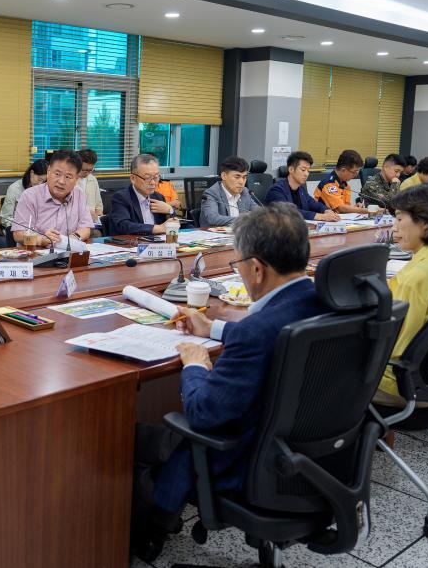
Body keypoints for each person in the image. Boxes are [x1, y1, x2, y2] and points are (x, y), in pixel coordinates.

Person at [130, 204, 329, 563]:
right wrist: (214, 329)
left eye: (237, 265)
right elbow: (276, 336)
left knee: (139, 439)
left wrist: (194, 366)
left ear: (256, 268)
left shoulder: (258, 330)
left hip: (247, 462)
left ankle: (149, 527)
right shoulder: (320, 302)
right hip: (310, 458)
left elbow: (204, 414)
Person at [373, 183, 428, 407]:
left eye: (400, 218)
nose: (394, 226)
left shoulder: (415, 278)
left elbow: (392, 350)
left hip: (400, 384)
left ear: (427, 224)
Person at [12, 150, 94, 248]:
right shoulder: (30, 196)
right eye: (57, 174)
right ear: (48, 171)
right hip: (34, 255)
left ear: (76, 179)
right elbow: (18, 235)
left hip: (67, 254)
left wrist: (71, 240)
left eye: (68, 177)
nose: (61, 181)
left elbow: (85, 227)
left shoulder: (79, 194)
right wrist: (41, 240)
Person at [109, 154, 175, 236]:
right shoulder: (121, 198)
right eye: (147, 178)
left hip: (156, 245)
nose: (153, 183)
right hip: (130, 245)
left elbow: (171, 225)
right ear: (133, 178)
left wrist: (170, 210)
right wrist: (158, 228)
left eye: (156, 177)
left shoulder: (158, 197)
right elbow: (124, 226)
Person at [266, 151, 340, 221]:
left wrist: (327, 210)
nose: (306, 174)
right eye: (303, 170)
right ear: (291, 169)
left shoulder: (301, 189)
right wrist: (321, 216)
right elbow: (288, 212)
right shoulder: (277, 190)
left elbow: (313, 203)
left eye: (308, 171)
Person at [199, 156, 257, 227]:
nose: (241, 182)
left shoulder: (245, 192)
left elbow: (259, 213)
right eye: (237, 177)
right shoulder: (211, 193)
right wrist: (245, 220)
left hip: (240, 234)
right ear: (224, 176)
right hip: (215, 235)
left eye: (244, 177)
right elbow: (213, 218)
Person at [314, 149, 369, 215]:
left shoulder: (344, 184)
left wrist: (355, 207)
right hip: (324, 220)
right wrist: (364, 210)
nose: (355, 175)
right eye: (354, 172)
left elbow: (344, 207)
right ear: (343, 170)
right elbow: (340, 208)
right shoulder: (329, 184)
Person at [0, 159, 48, 230]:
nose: (40, 184)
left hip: (37, 229)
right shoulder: (14, 189)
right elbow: (5, 218)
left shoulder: (43, 189)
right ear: (31, 173)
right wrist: (22, 226)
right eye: (39, 179)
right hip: (17, 229)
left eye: (43, 181)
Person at [77, 148, 105, 223]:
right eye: (84, 170)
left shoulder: (93, 180)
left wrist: (97, 216)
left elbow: (99, 207)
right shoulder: (70, 181)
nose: (87, 173)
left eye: (90, 170)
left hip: (92, 222)